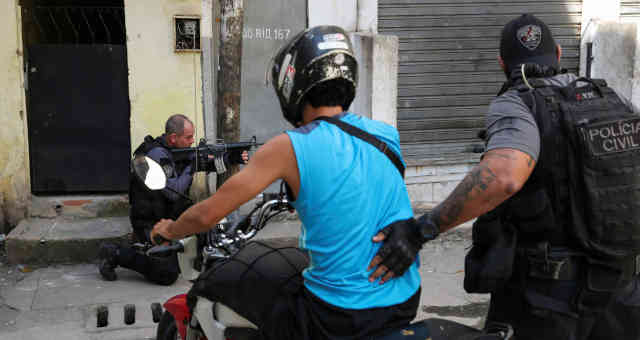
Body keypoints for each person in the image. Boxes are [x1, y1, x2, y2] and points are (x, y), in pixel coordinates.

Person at [368, 14, 640, 340]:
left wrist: (421, 230)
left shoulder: (517, 103)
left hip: (550, 300)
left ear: (501, 63)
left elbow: (505, 175)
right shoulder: (611, 99)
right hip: (621, 291)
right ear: (557, 54)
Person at [151, 25, 422, 339]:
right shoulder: (385, 134)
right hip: (404, 299)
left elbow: (206, 215)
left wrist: (168, 230)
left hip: (340, 314)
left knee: (233, 286)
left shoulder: (290, 146)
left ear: (293, 84)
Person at [98, 114, 248, 285]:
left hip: (171, 215)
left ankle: (196, 261)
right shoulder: (157, 155)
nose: (192, 141)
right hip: (149, 221)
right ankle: (115, 253)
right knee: (166, 273)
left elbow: (204, 163)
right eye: (188, 137)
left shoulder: (177, 151)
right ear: (173, 138)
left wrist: (231, 158)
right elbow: (173, 192)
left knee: (207, 221)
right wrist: (192, 167)